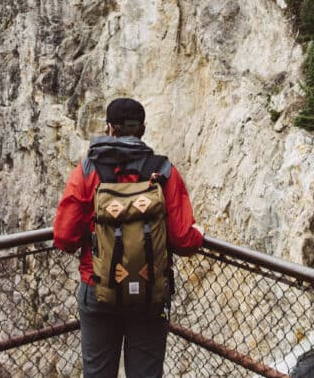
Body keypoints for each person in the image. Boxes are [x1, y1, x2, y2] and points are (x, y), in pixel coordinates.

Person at [53, 97, 204, 378]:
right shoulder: (164, 172)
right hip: (149, 290)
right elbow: (183, 240)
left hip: (99, 287)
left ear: (110, 128)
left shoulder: (86, 172)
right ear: (142, 129)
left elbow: (64, 238)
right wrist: (199, 234)